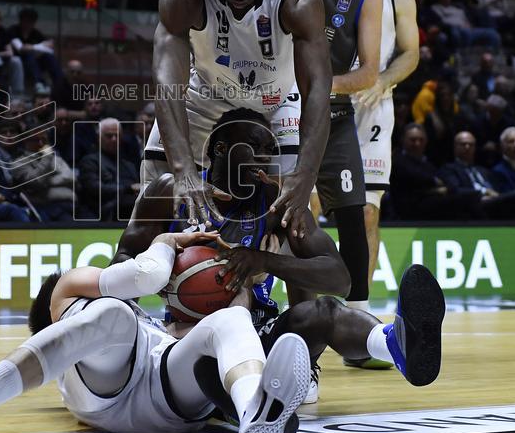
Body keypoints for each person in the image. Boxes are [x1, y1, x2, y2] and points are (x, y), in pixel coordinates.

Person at [113, 108, 445, 406]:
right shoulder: (168, 191)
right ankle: (249, 398)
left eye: (269, 151)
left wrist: (267, 262)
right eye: (254, 147)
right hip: (186, 337)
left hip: (257, 334)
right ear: (220, 149)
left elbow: (340, 280)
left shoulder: (276, 201)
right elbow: (124, 258)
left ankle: (397, 346)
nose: (264, 158)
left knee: (325, 311)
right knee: (201, 365)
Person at [0, 227, 313, 433]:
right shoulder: (67, 292)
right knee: (113, 313)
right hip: (112, 387)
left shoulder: (144, 324)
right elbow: (145, 278)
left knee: (229, 321)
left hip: (160, 395)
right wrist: (167, 241)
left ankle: (253, 415)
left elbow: (223, 324)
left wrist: (239, 292)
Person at [144, 0, 332, 246]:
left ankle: (294, 300)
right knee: (159, 184)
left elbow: (318, 88)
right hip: (206, 95)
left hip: (277, 101)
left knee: (295, 216)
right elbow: (167, 85)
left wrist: (305, 174)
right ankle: (147, 285)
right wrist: (185, 169)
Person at [271, 0, 383, 312]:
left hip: (331, 114)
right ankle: (260, 306)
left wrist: (319, 86)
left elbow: (369, 72)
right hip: (271, 108)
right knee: (269, 207)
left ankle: (358, 317)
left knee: (353, 214)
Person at [347, 0, 420, 341]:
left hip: (374, 106)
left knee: (367, 214)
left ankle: (357, 308)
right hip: (324, 101)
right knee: (306, 208)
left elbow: (411, 51)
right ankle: (285, 305)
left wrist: (385, 81)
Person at [439, 131, 515, 220]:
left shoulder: (482, 170)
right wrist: (483, 193)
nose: (467, 147)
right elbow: (455, 190)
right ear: (455, 147)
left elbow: (497, 190)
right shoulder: (449, 169)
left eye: (471, 144)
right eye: (463, 144)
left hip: (495, 202)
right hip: (476, 204)